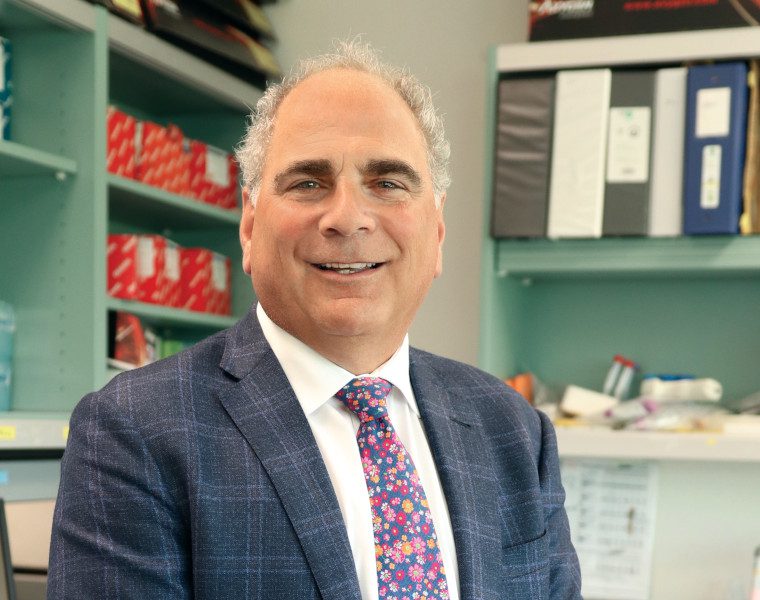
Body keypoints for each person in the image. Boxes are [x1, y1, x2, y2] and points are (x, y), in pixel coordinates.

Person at [47, 41, 581, 599]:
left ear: (438, 232)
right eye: (308, 183)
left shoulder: (515, 432)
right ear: (250, 228)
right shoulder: (133, 432)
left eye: (388, 183)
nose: (347, 217)